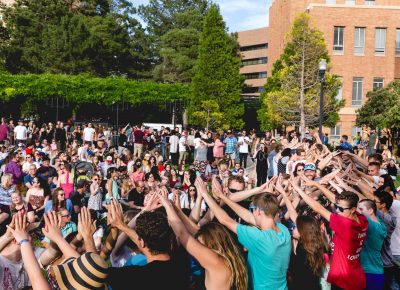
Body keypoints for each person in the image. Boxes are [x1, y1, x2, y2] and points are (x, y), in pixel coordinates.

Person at [198, 177, 291, 290]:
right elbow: (248, 215)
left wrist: (204, 193)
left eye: (254, 209)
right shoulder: (284, 231)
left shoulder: (258, 237)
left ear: (258, 211)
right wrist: (223, 197)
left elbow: (225, 220)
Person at [158, 188, 248, 290]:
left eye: (200, 244)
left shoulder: (215, 261)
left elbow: (182, 234)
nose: (198, 245)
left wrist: (167, 205)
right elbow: (195, 230)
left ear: (211, 243)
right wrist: (176, 209)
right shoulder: (231, 257)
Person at [292, 181, 368, 290]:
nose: (337, 210)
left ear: (353, 210)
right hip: (357, 277)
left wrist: (298, 189)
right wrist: (317, 185)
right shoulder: (362, 220)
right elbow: (338, 201)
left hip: (343, 281)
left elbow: (318, 208)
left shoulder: (345, 225)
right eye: (337, 207)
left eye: (341, 209)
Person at [106, 199, 190, 290]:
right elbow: (145, 240)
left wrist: (119, 226)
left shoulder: (132, 277)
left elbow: (95, 271)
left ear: (141, 242)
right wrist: (122, 226)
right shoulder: (182, 263)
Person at [289, 215, 326, 290]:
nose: (293, 228)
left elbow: (295, 273)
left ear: (303, 231)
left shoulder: (301, 250)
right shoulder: (314, 245)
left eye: (296, 227)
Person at [357, 199, 387, 290]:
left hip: (368, 273)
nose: (359, 212)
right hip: (377, 272)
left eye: (361, 209)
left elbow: (350, 208)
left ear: (370, 211)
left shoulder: (371, 225)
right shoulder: (380, 224)